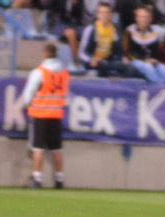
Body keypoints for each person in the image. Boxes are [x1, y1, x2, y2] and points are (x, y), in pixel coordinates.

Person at [21, 42, 70, 189]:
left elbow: (29, 94)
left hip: (40, 114)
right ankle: (59, 179)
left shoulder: (39, 72)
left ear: (44, 54)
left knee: (38, 148)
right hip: (56, 114)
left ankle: (37, 178)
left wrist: (26, 104)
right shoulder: (64, 73)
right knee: (57, 149)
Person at [79, 2, 131, 76]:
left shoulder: (115, 29)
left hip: (109, 61)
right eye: (102, 13)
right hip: (95, 62)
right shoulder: (90, 29)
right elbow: (82, 53)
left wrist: (123, 58)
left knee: (127, 66)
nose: (105, 16)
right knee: (101, 65)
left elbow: (119, 50)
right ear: (97, 14)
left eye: (107, 13)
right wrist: (90, 59)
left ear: (111, 15)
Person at [123, 4, 165, 83]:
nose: (144, 19)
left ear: (151, 19)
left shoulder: (156, 31)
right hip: (136, 61)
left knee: (164, 69)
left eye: (146, 17)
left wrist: (155, 60)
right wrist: (144, 60)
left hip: (152, 61)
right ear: (136, 18)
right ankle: (160, 86)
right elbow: (128, 51)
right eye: (141, 17)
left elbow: (158, 50)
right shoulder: (129, 30)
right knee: (148, 67)